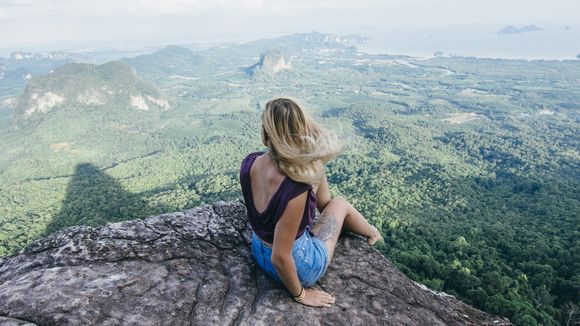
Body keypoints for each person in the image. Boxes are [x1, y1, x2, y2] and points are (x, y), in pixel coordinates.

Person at [239, 97, 382, 308]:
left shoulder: (250, 163)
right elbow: (280, 256)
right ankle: (372, 232)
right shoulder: (295, 188)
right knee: (340, 204)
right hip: (296, 267)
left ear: (267, 132)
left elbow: (320, 204)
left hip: (258, 249)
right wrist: (301, 295)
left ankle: (369, 231)